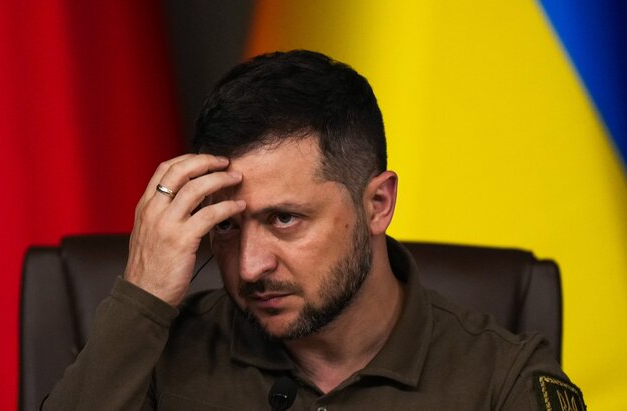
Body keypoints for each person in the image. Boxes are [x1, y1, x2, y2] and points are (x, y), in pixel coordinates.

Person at [43, 50, 584, 410]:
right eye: (227, 225)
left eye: (285, 219)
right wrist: (141, 297)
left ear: (377, 204)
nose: (250, 266)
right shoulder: (157, 356)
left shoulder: (502, 381)